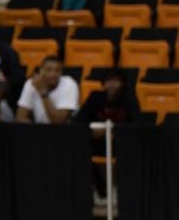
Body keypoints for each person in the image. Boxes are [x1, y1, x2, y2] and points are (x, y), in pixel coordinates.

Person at [73, 68, 139, 200]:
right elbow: (79, 120)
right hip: (98, 141)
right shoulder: (95, 97)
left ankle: (128, 194)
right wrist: (92, 131)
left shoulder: (129, 98)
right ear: (103, 83)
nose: (112, 84)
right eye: (109, 81)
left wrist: (115, 133)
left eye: (116, 81)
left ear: (122, 83)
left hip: (121, 144)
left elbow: (136, 123)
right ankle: (100, 188)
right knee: (79, 150)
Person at [15, 56, 79, 125]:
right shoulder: (31, 83)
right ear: (41, 70)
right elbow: (20, 117)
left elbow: (58, 121)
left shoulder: (69, 84)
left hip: (63, 131)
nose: (53, 74)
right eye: (48, 70)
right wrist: (35, 132)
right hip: (38, 130)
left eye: (57, 70)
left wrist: (43, 93)